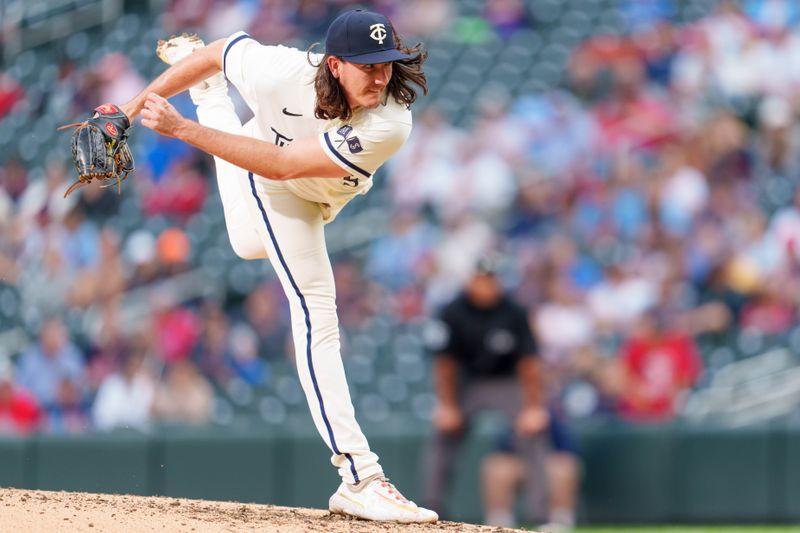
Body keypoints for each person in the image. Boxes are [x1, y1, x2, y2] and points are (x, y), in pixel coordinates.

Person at [115, 9, 435, 523]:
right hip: (276, 183)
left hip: (302, 180)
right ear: (334, 65)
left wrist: (185, 129)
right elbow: (215, 51)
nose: (381, 76)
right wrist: (127, 112)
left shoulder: (391, 119)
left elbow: (288, 163)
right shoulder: (281, 69)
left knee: (246, 242)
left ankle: (211, 98)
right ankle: (360, 476)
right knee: (316, 309)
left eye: (387, 64)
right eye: (368, 65)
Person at [423, 257, 550, 524]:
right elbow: (445, 363)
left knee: (534, 434)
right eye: (482, 279)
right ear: (472, 279)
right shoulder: (454, 310)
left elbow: (529, 364)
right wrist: (446, 405)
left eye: (492, 280)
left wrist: (534, 407)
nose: (486, 286)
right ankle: (431, 510)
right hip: (465, 383)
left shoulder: (514, 311)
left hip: (506, 381)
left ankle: (541, 516)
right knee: (442, 436)